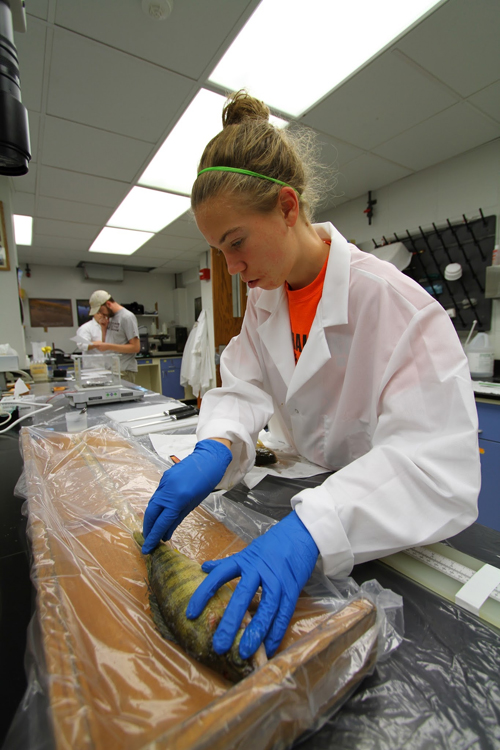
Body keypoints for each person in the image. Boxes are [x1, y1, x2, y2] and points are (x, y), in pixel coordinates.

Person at [141, 91, 480, 663]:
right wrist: (219, 445)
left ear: (288, 208)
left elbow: (435, 465)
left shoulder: (397, 305)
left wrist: (312, 530)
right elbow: (244, 385)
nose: (233, 267)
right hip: (306, 497)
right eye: (219, 251)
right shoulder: (264, 300)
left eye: (237, 242)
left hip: (390, 525)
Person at [88, 290, 140, 382]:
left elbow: (136, 347)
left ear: (108, 304)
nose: (101, 314)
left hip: (124, 371)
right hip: (111, 370)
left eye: (101, 310)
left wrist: (108, 346)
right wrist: (103, 328)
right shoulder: (110, 317)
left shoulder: (126, 317)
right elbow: (107, 344)